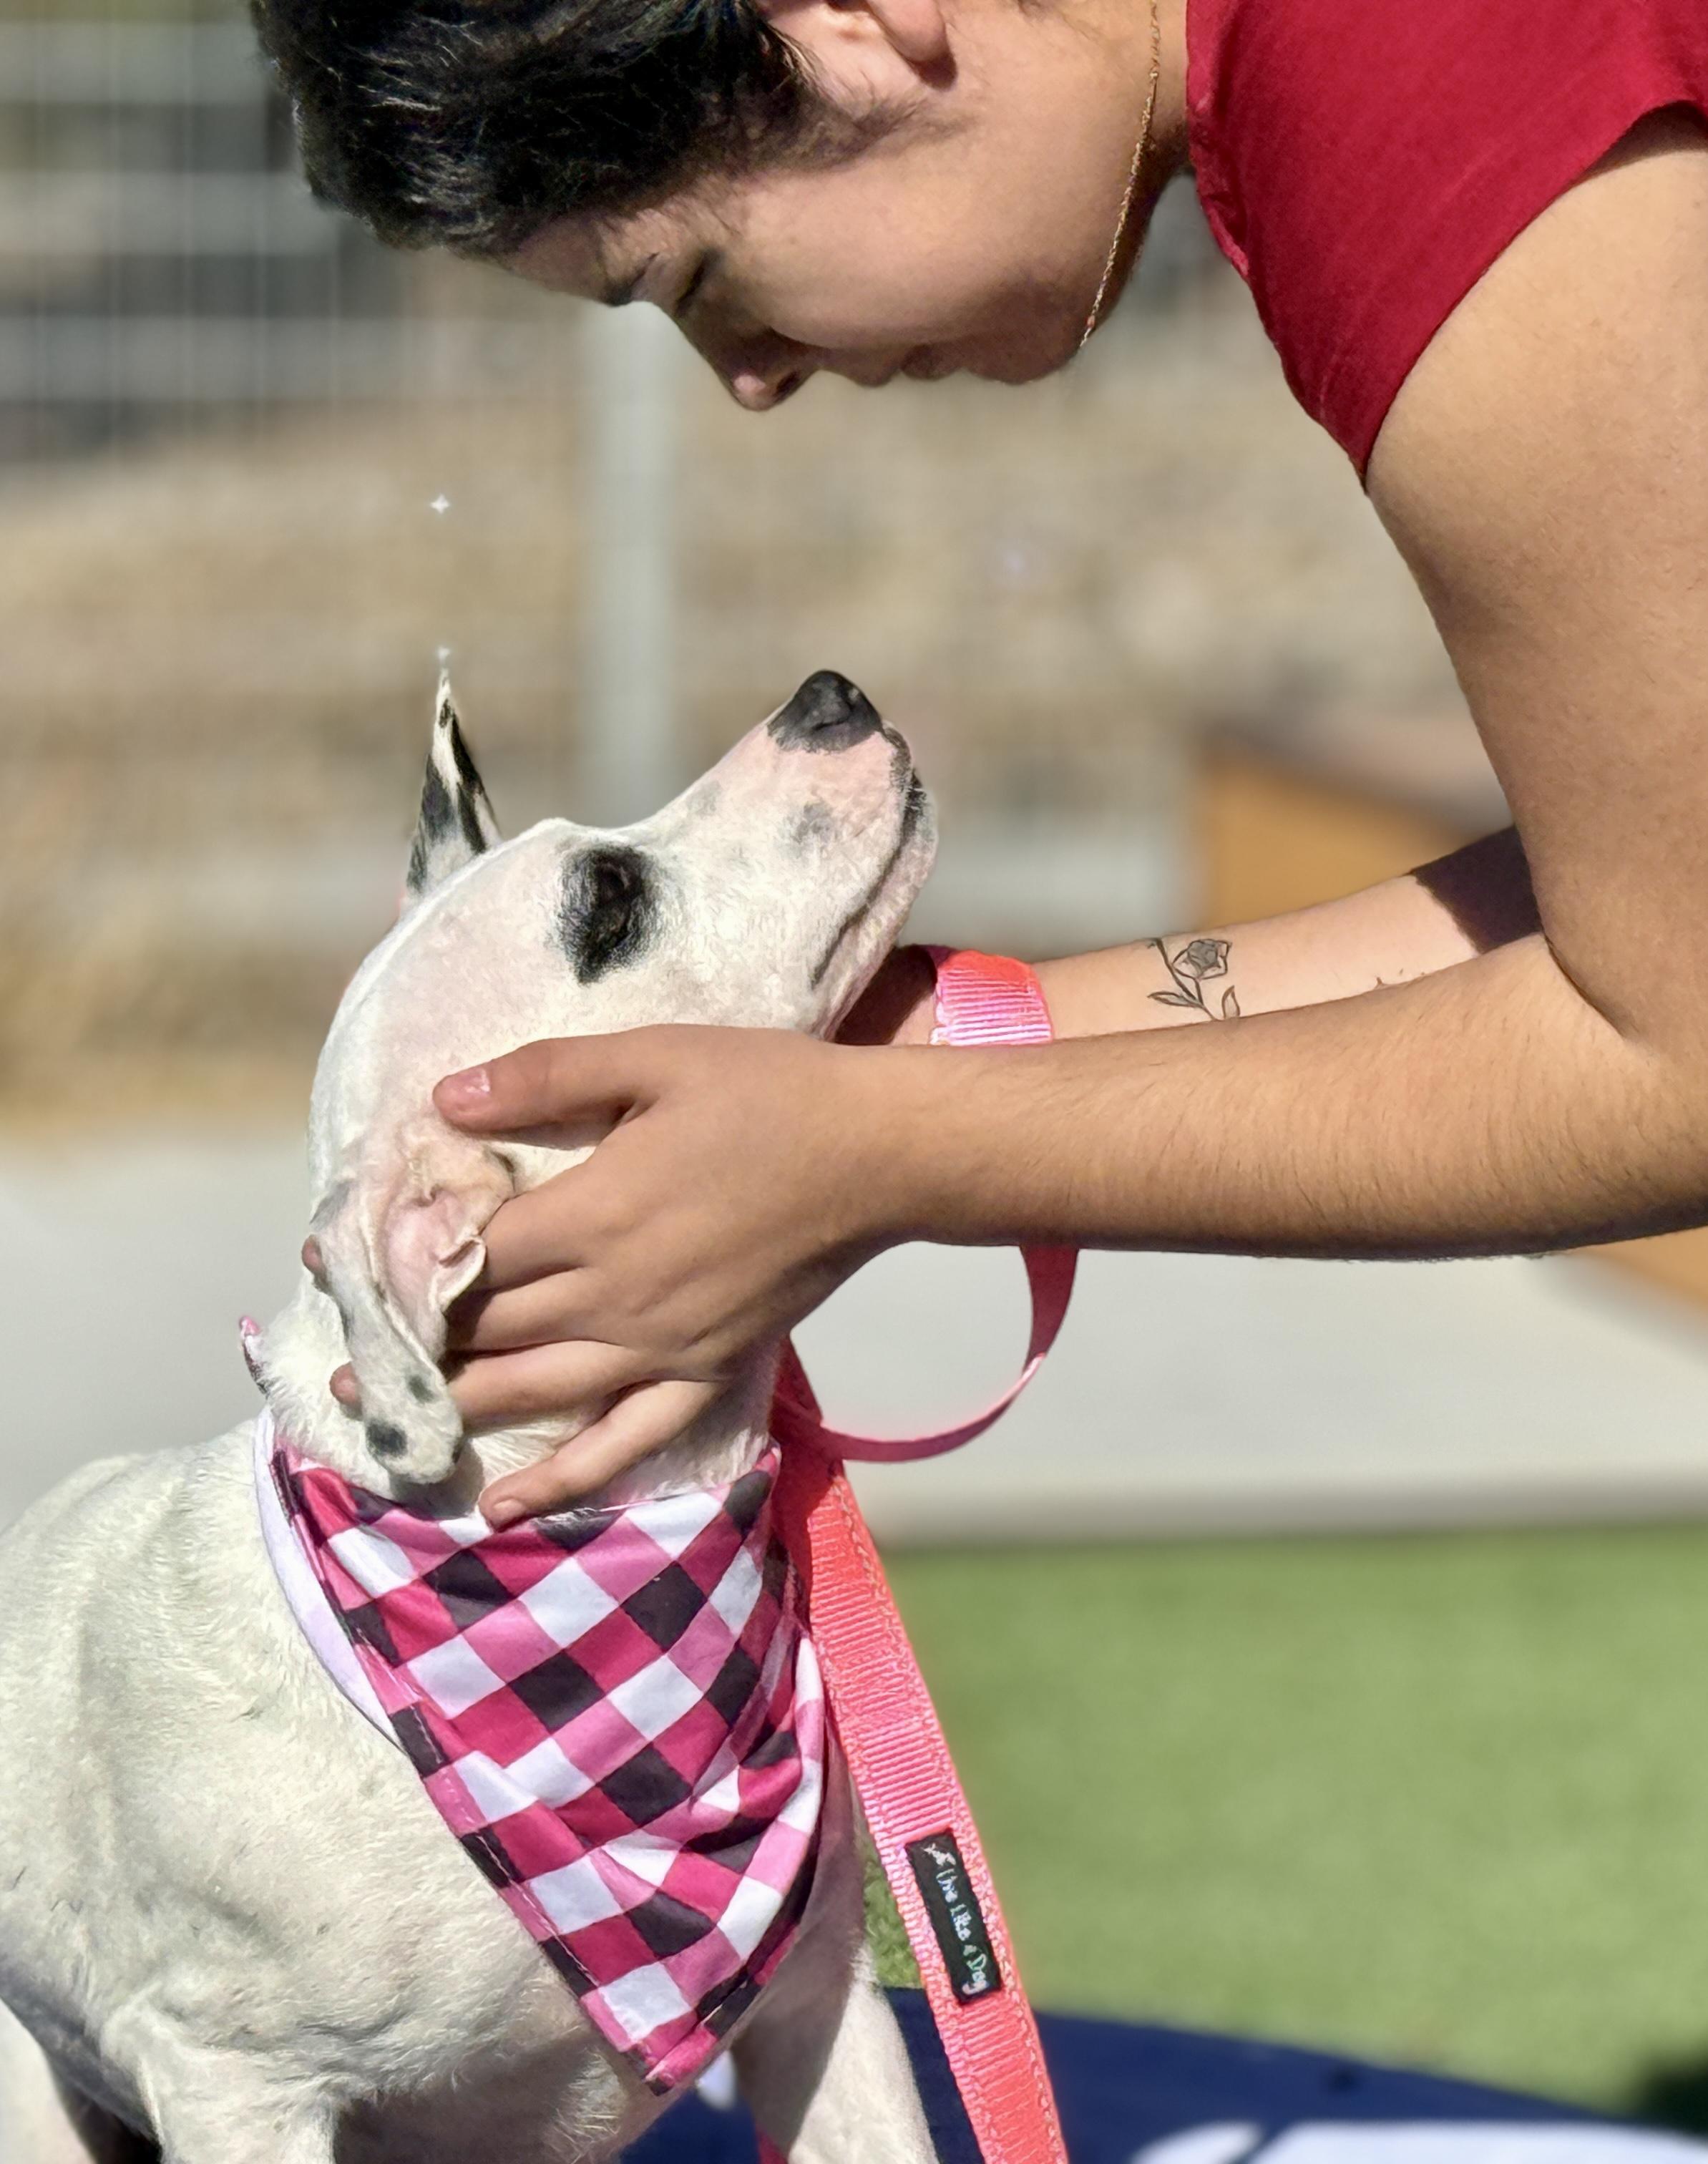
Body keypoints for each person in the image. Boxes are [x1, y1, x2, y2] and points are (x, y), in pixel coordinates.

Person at [256, 0, 1708, 1525]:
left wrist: (888, 1154)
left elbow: (1680, 1043)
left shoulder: (1404, 70)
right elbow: (1641, 907)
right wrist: (922, 1057)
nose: (747, 376)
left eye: (696, 278)